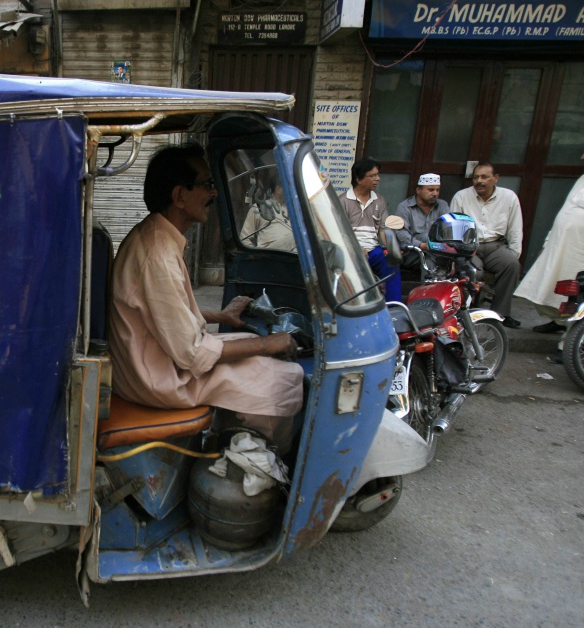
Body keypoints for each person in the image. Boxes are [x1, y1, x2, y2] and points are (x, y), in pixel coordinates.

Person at [109, 144, 303, 455]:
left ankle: (225, 445)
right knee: (283, 377)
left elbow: (164, 315)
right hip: (157, 379)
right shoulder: (157, 255)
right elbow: (192, 354)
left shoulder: (159, 238)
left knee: (257, 352)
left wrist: (222, 317)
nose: (213, 194)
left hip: (158, 361)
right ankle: (260, 467)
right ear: (180, 196)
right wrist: (269, 344)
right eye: (207, 185)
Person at [516, 130, 584, 360]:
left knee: (583, 301)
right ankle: (561, 323)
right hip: (563, 249)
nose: (583, 156)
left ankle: (571, 347)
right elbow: (566, 211)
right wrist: (548, 241)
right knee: (555, 294)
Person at [449, 162, 523, 328]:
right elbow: (454, 229)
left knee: (511, 265)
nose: (479, 181)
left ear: (496, 178)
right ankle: (469, 313)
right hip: (469, 247)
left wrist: (514, 254)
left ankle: (500, 314)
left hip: (496, 245)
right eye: (476, 177)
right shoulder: (461, 196)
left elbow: (515, 229)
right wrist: (460, 252)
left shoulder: (509, 197)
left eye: (484, 177)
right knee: (473, 271)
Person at [339, 158, 402, 302]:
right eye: (372, 175)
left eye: (378, 175)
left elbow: (383, 230)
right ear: (358, 179)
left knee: (392, 264)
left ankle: (394, 306)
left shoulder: (379, 200)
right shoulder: (343, 201)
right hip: (350, 251)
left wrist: (391, 248)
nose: (377, 179)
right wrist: (356, 248)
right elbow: (340, 232)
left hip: (373, 250)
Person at [394, 172, 451, 276]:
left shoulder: (442, 205)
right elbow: (401, 233)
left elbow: (447, 229)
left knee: (431, 257)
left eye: (437, 190)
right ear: (418, 190)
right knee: (429, 248)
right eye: (431, 190)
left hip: (435, 252)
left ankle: (429, 288)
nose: (435, 193)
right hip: (411, 252)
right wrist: (420, 245)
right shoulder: (404, 207)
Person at [239, 182, 295, 252]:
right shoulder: (259, 207)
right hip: (271, 251)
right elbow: (244, 239)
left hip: (292, 251)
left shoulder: (291, 209)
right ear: (277, 188)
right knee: (298, 238)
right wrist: (257, 256)